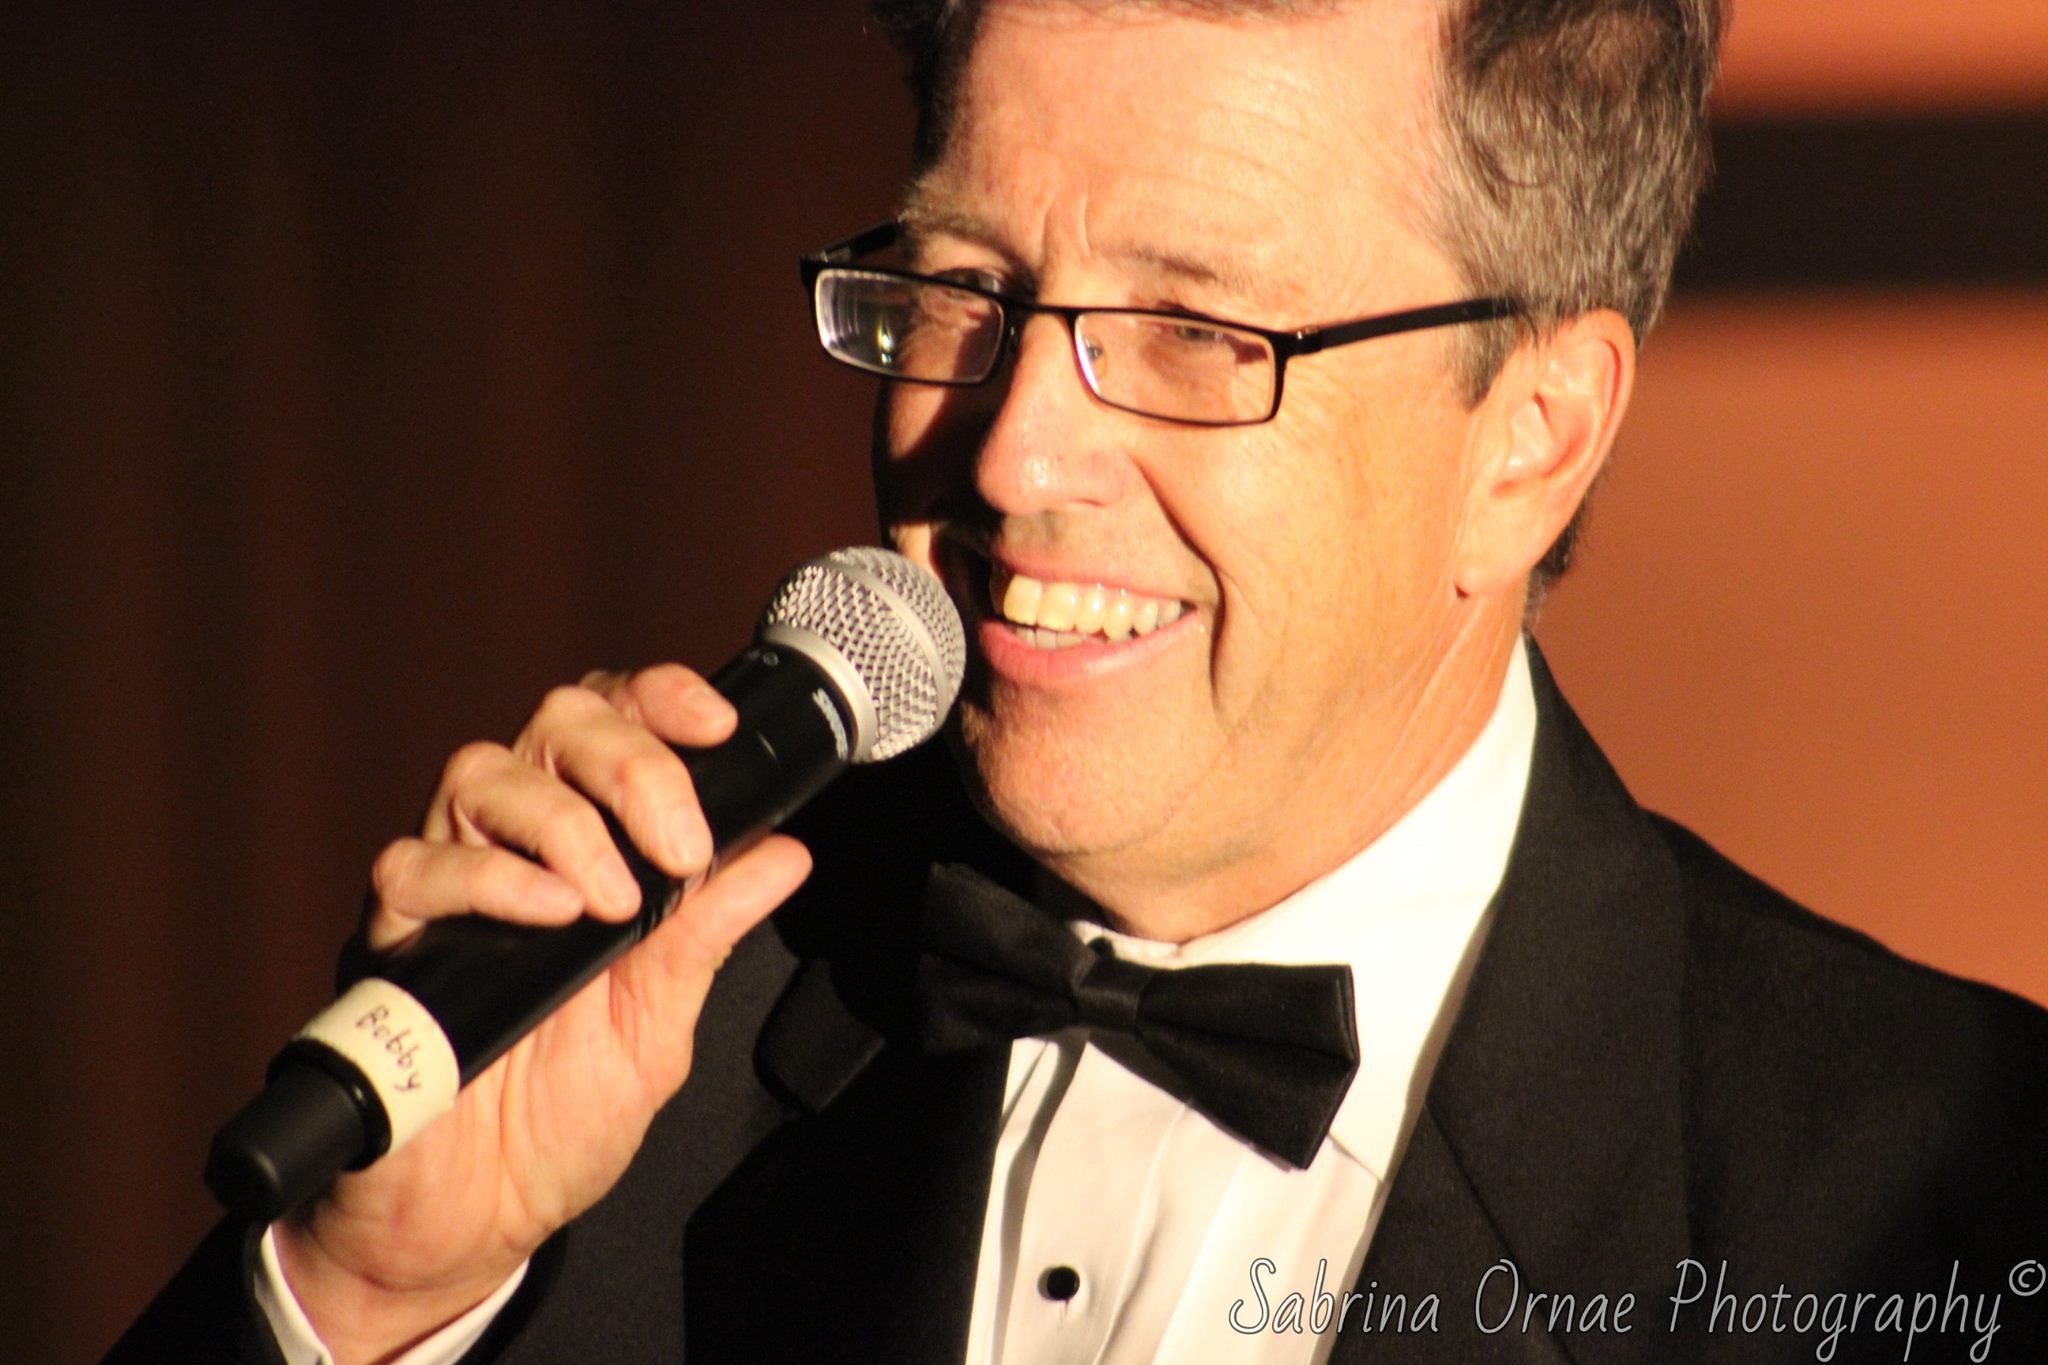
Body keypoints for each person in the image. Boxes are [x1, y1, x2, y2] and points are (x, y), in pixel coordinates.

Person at [115, 0, 2048, 1361]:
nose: (1016, 450)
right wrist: (362, 1302)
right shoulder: (624, 1035)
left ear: (1528, 439)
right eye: (962, 283)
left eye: (1196, 329)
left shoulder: (1943, 1202)